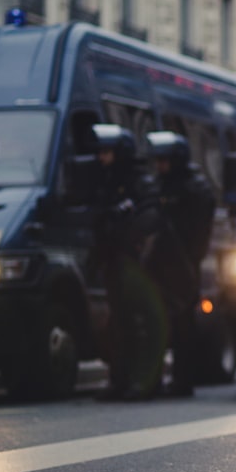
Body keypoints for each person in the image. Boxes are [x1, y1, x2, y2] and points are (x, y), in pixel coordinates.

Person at [89, 124, 164, 400]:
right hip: (113, 260)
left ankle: (145, 382)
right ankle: (119, 379)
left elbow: (151, 216)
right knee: (119, 323)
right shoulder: (104, 180)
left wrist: (130, 239)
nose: (102, 158)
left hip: (135, 264)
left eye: (107, 152)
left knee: (140, 322)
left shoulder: (139, 182)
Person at [144, 131, 216, 397]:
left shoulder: (193, 188)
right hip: (161, 265)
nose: (160, 166)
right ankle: (158, 378)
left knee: (183, 325)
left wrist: (189, 257)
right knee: (160, 322)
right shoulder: (160, 185)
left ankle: (183, 379)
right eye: (158, 160)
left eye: (165, 160)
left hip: (184, 265)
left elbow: (198, 229)